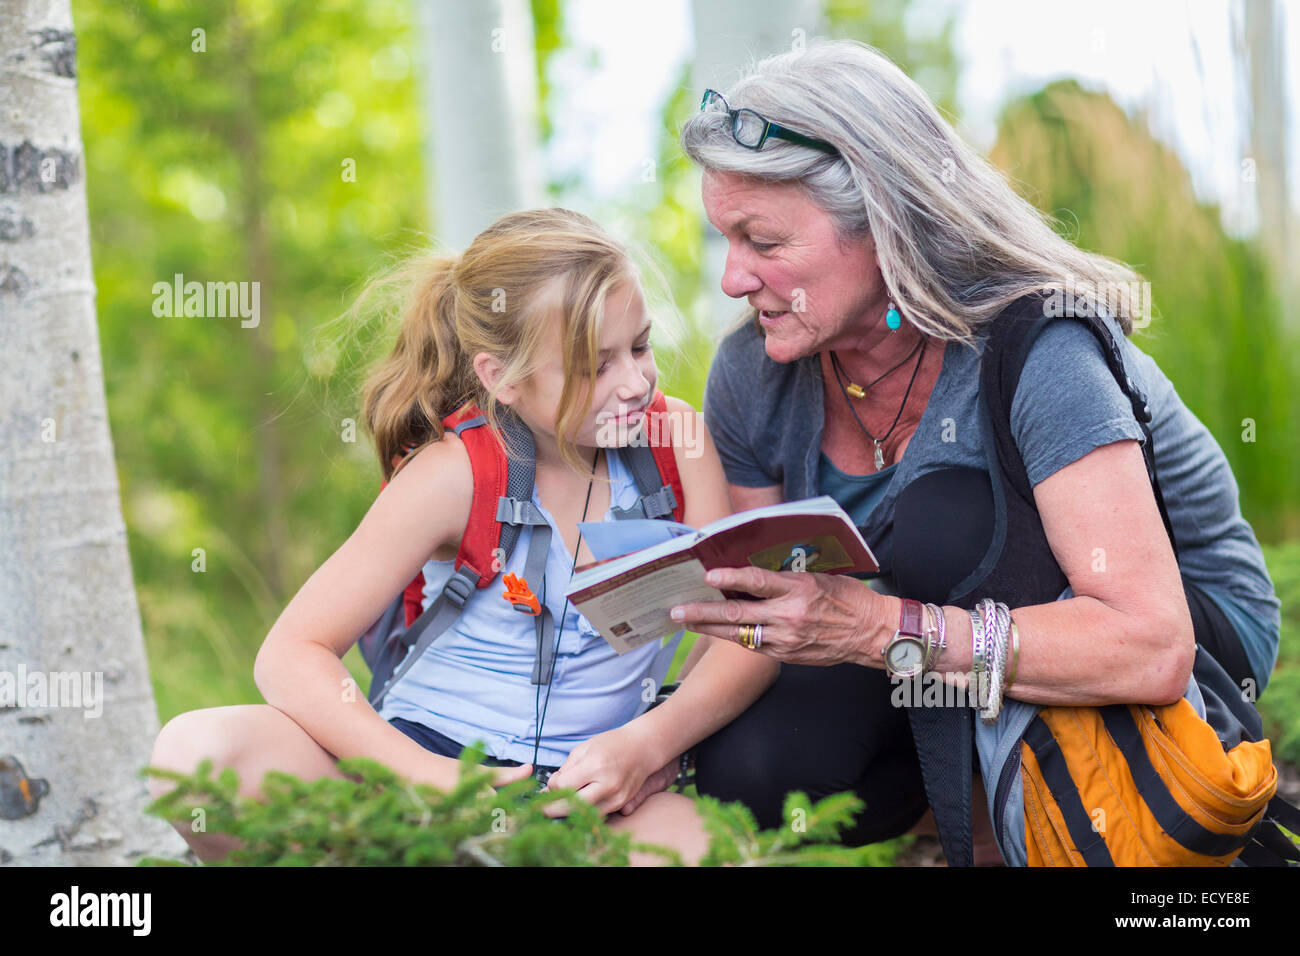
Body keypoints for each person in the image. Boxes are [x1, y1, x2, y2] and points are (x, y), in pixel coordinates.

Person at [667, 39, 1282, 863]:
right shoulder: (756, 369)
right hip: (919, 632)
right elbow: (774, 607)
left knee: (943, 520)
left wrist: (880, 628)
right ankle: (969, 799)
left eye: (764, 244)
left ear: (884, 221)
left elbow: (1152, 646)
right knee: (755, 761)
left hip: (1172, 630)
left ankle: (1029, 830)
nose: (734, 280)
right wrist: (647, 741)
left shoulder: (1040, 347)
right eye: (725, 242)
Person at [147, 208, 778, 865]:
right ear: (501, 376)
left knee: (711, 850)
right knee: (197, 754)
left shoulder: (677, 443)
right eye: (595, 365)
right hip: (423, 769)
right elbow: (290, 654)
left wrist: (651, 745)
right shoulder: (456, 473)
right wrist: (438, 785)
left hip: (587, 787)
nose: (635, 383)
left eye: (640, 346)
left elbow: (747, 636)